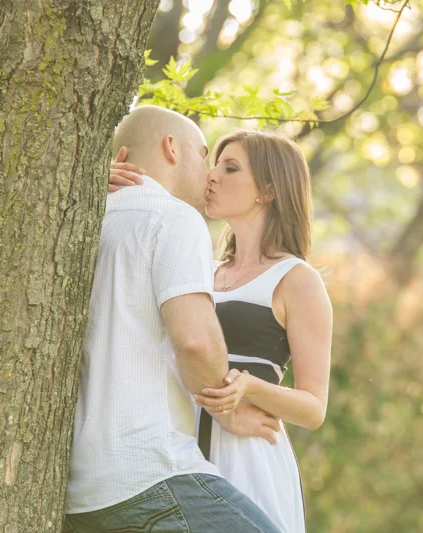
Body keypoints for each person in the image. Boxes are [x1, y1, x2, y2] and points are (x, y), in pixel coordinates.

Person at [64, 106, 282, 533]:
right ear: (170, 147)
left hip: (82, 493)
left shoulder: (85, 219)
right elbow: (196, 340)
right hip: (151, 474)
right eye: (203, 156)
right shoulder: (174, 218)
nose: (209, 175)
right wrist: (227, 410)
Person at [108, 128, 333, 533]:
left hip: (248, 453)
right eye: (213, 165)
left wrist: (246, 388)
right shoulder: (197, 268)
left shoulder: (297, 280)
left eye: (230, 168)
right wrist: (106, 189)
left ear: (268, 189)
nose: (211, 176)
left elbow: (314, 408)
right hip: (177, 448)